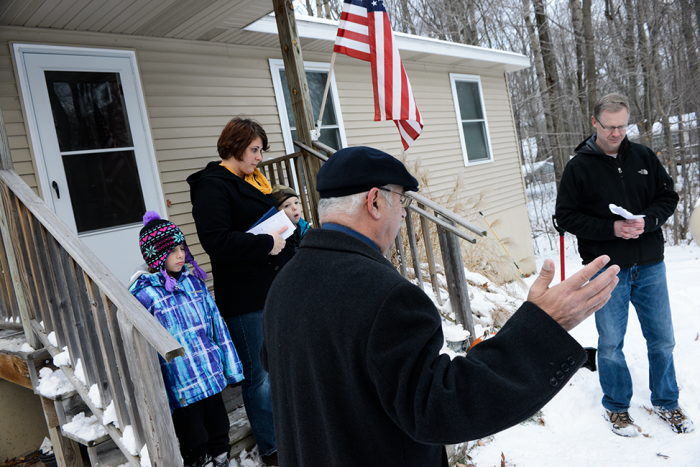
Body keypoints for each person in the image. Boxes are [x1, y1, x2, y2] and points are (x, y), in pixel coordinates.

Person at [260, 145, 621, 466]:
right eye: (402, 201)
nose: (403, 215)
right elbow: (441, 406)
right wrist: (545, 326)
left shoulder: (285, 283)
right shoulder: (385, 295)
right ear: (374, 202)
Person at [555, 92, 694, 436]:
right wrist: (611, 228)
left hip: (649, 264)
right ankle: (617, 406)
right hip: (606, 268)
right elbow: (566, 216)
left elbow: (668, 196)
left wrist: (648, 221)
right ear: (594, 123)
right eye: (609, 127)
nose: (617, 133)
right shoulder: (579, 167)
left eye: (622, 126)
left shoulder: (644, 156)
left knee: (662, 339)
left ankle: (667, 401)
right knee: (611, 342)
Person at [186, 117, 292, 466]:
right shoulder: (213, 186)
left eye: (261, 150)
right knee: (258, 376)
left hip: (270, 288)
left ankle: (287, 436)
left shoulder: (251, 182)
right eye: (255, 149)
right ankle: (272, 449)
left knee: (278, 369)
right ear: (234, 146)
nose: (260, 157)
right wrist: (265, 242)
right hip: (245, 297)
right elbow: (215, 241)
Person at [129, 211, 244, 467]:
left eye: (182, 248)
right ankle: (197, 462)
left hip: (208, 373)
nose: (181, 255)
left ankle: (222, 459)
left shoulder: (194, 284)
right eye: (172, 251)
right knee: (195, 437)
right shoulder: (145, 295)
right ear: (156, 255)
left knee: (218, 429)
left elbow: (217, 327)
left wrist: (230, 367)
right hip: (180, 383)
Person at [271, 184, 310, 253]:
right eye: (287, 205)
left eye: (296, 202)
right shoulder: (280, 238)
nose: (294, 208)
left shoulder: (307, 229)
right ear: (278, 212)